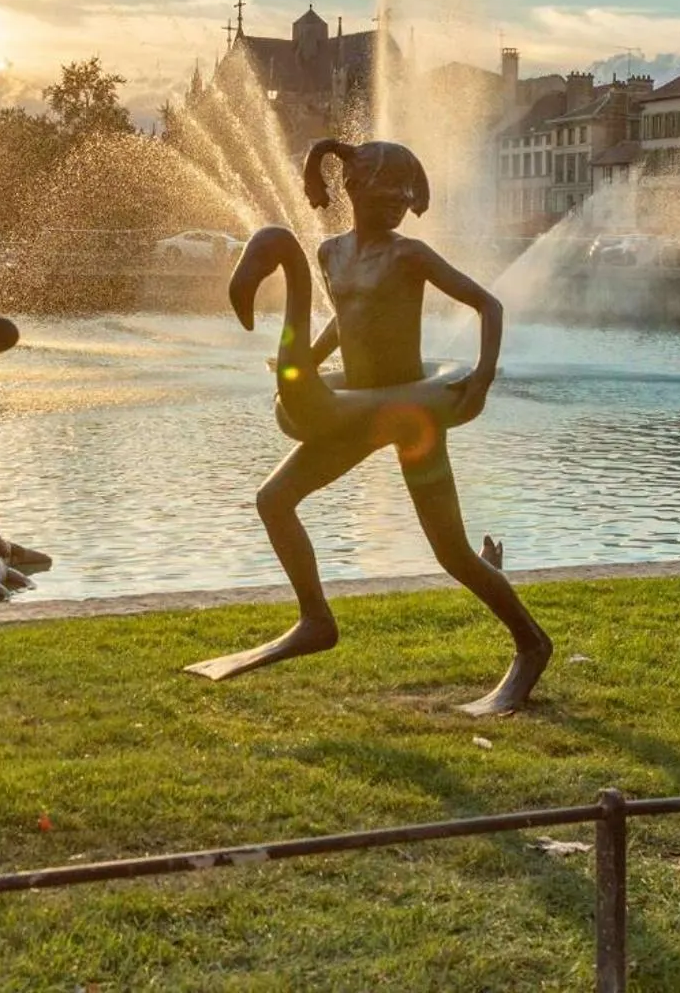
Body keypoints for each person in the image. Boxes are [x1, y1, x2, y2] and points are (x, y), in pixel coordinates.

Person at [185, 138, 552, 716]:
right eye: (385, 195)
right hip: (355, 412)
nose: (397, 207)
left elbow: (489, 305)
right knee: (274, 500)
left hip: (411, 417)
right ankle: (315, 619)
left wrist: (479, 380)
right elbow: (347, 316)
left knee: (452, 554)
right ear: (352, 191)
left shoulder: (411, 256)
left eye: (403, 198)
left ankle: (532, 644)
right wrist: (306, 354)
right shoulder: (330, 254)